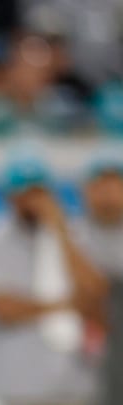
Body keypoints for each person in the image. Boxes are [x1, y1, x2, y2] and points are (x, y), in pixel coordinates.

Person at [0, 150, 101, 405]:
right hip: (18, 383)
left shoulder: (76, 233)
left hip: (76, 382)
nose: (31, 202)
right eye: (23, 193)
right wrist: (64, 305)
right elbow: (0, 307)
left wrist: (60, 231)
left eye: (37, 193)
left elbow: (95, 295)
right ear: (8, 196)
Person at [74, 146, 123, 405]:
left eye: (114, 184)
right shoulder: (70, 236)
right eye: (99, 186)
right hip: (76, 368)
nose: (107, 194)